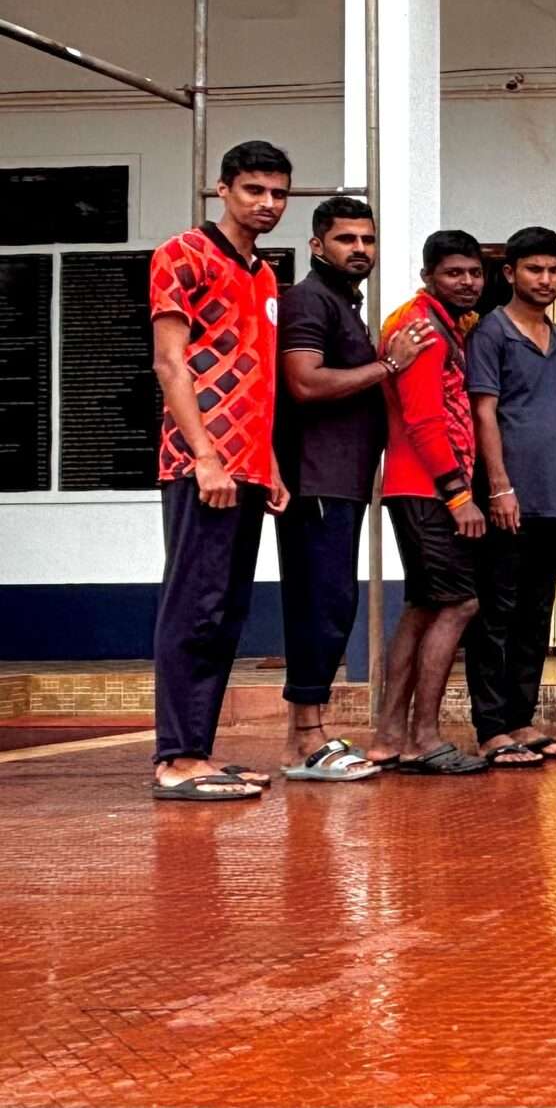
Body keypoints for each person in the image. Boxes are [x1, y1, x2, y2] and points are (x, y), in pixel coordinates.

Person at [146, 140, 297, 800]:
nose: (267, 203)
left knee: (227, 612)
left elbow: (258, 376)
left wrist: (270, 463)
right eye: (254, 190)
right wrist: (205, 456)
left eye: (278, 193)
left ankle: (198, 752)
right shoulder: (184, 254)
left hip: (248, 469)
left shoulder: (263, 275)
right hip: (200, 464)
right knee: (194, 607)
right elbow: (170, 363)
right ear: (223, 190)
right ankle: (175, 757)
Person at [275, 196, 421, 778]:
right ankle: (304, 740)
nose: (360, 249)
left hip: (342, 481)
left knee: (334, 602)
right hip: (316, 478)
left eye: (367, 239)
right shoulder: (309, 299)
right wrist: (389, 366)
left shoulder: (342, 303)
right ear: (317, 245)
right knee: (321, 602)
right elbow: (305, 383)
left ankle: (308, 733)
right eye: (346, 239)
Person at [377, 230, 498, 770]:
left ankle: (389, 736)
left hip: (420, 487)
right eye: (453, 273)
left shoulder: (449, 324)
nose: (467, 282)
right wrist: (458, 496)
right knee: (459, 603)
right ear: (428, 276)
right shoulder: (421, 328)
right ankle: (423, 738)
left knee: (424, 606)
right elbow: (423, 420)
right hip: (426, 487)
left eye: (474, 272)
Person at [462, 227, 556, 770]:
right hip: (506, 499)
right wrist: (499, 487)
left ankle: (522, 720)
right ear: (510, 273)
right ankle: (491, 729)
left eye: (555, 270)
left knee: (536, 614)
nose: (546, 279)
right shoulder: (490, 333)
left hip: (551, 499)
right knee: (497, 615)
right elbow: (483, 412)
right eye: (535, 269)